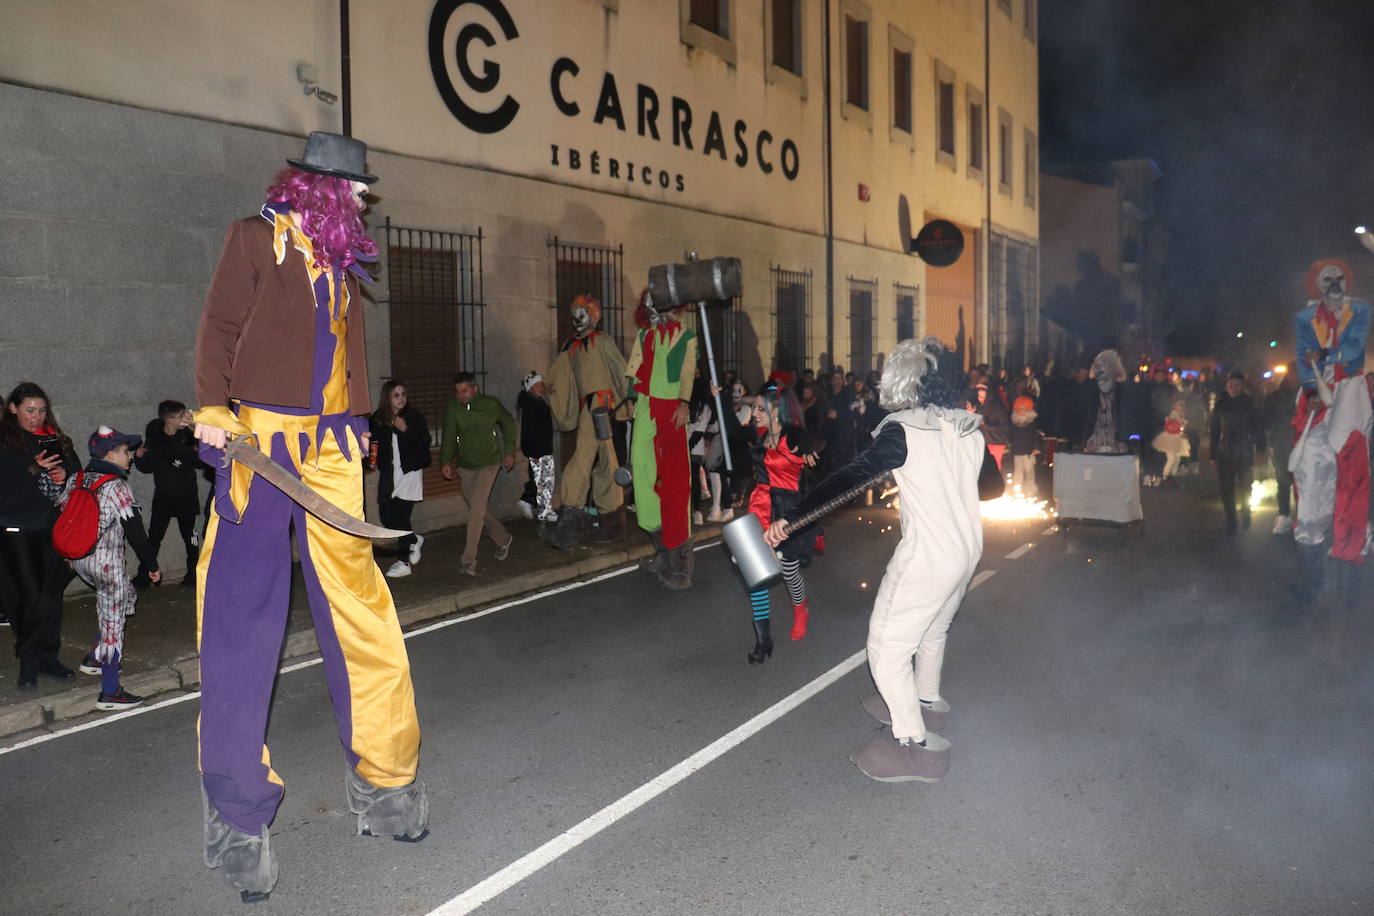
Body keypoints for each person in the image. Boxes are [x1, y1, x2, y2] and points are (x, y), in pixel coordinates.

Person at [192, 132, 428, 900]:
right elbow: (219, 331)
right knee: (240, 615)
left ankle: (384, 782)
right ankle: (236, 816)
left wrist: (356, 422)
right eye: (357, 189)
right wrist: (214, 413)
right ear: (322, 187)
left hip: (329, 451)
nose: (366, 198)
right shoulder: (254, 239)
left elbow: (345, 354)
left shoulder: (343, 259)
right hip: (259, 444)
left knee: (361, 610)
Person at [765, 337, 983, 783]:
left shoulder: (903, 430)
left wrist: (792, 519)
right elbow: (992, 487)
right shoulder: (965, 426)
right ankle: (925, 703)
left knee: (885, 649)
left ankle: (915, 746)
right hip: (968, 549)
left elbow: (851, 476)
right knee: (932, 631)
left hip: (929, 554)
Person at [1289, 257, 1372, 600]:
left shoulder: (1362, 310)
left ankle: (1351, 578)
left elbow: (1352, 355)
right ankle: (1312, 576)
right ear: (1317, 285)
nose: (1334, 282)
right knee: (1309, 474)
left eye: (1339, 276)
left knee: (1352, 482)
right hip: (1316, 399)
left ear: (1346, 281)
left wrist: (1321, 355)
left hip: (1350, 395)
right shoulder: (1304, 317)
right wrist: (1311, 390)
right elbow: (1302, 358)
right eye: (1327, 279)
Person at [65, 427, 159, 708]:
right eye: (125, 451)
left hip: (81, 560)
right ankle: (110, 692)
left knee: (126, 597)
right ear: (110, 454)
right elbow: (135, 531)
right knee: (113, 624)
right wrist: (151, 565)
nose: (130, 456)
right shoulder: (117, 486)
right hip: (107, 564)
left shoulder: (77, 478)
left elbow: (62, 512)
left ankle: (96, 657)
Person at [0, 382, 79, 689]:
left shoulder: (55, 439)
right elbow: (6, 488)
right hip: (15, 526)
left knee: (51, 594)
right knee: (29, 594)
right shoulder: (6, 441)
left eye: (42, 410)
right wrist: (34, 469)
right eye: (29, 410)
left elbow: (76, 477)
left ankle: (49, 658)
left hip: (52, 526)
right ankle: (29, 660)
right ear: (13, 408)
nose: (36, 417)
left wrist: (65, 476)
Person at [544, 295, 631, 547]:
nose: (577, 318)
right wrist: (543, 386)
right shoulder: (570, 346)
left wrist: (629, 400)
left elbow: (620, 368)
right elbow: (557, 374)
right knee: (606, 462)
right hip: (589, 407)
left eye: (583, 313)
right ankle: (612, 523)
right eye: (575, 312)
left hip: (600, 405)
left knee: (582, 458)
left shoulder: (602, 341)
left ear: (594, 316)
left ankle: (569, 523)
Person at [626, 290, 698, 588]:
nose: (652, 307)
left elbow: (688, 371)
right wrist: (631, 399)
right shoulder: (644, 335)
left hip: (672, 408)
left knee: (675, 478)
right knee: (640, 466)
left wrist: (684, 402)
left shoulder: (686, 335)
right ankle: (659, 537)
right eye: (649, 302)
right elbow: (633, 369)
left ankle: (679, 560)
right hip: (645, 405)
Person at [744, 380, 817, 663]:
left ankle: (801, 609)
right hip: (759, 507)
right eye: (754, 408)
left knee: (789, 569)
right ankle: (763, 639)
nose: (754, 413)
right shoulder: (761, 434)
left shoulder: (793, 436)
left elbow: (814, 440)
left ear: (776, 410)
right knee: (755, 573)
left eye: (760, 408)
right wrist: (722, 401)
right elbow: (734, 432)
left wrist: (813, 450)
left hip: (787, 509)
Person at [439, 371, 516, 576]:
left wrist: (509, 451)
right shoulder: (454, 409)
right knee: (478, 508)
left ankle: (468, 561)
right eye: (458, 392)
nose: (461, 396)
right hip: (465, 466)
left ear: (475, 389)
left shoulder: (490, 404)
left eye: (464, 391)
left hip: (489, 464)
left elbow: (508, 423)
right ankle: (503, 539)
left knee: (476, 512)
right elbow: (449, 435)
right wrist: (445, 461)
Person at [133, 399, 203, 589]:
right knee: (153, 538)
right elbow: (148, 466)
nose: (184, 419)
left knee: (191, 538)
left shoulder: (187, 436)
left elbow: (200, 462)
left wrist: (197, 445)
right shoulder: (155, 435)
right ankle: (144, 575)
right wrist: (139, 457)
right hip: (164, 497)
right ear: (169, 420)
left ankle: (194, 574)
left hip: (186, 496)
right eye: (180, 416)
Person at [370, 380, 430, 578]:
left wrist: (405, 430)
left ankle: (404, 562)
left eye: (403, 394)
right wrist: (370, 463)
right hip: (390, 473)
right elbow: (374, 444)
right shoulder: (378, 419)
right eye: (396, 395)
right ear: (387, 397)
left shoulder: (414, 417)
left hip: (409, 473)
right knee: (387, 517)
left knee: (402, 518)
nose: (401, 398)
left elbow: (424, 444)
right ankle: (413, 540)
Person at [1210, 372, 1264, 534]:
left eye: (1236, 385)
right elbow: (1214, 430)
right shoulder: (1220, 405)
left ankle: (1246, 510)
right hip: (1225, 449)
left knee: (1245, 484)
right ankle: (1231, 519)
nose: (1233, 388)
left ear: (1243, 386)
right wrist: (1212, 455)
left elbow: (1258, 429)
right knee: (1226, 487)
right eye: (1230, 385)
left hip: (1245, 448)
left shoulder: (1251, 404)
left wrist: (1260, 450)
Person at [515, 370, 558, 523]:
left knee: (545, 479)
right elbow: (531, 430)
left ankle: (544, 509)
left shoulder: (534, 402)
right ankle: (528, 501)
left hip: (542, 447)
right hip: (538, 449)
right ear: (529, 388)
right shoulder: (532, 404)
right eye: (537, 385)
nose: (541, 387)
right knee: (540, 479)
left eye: (541, 384)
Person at [1263, 367, 1299, 534]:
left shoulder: (1309, 394)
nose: (1295, 376)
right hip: (1282, 444)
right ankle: (1284, 515)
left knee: (1302, 482)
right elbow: (1266, 420)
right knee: (1283, 481)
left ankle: (1302, 517)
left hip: (1302, 444)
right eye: (1293, 372)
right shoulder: (1275, 397)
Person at [1151, 399, 1191, 485]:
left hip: (1176, 438)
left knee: (1176, 459)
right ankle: (1165, 477)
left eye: (1182, 405)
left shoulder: (1179, 414)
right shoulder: (1172, 414)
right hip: (1171, 439)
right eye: (1179, 404)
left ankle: (1172, 477)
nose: (1181, 407)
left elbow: (1181, 426)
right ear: (1174, 405)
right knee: (1171, 459)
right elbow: (1173, 427)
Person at [1008, 396, 1041, 497]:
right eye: (1018, 409)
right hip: (1017, 451)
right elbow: (1010, 435)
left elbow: (1036, 436)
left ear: (1028, 410)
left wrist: (1036, 447)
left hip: (1028, 452)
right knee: (1018, 471)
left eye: (1023, 409)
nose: (1021, 411)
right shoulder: (1013, 422)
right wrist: (1009, 444)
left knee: (1029, 471)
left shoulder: (1031, 423)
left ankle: (1030, 488)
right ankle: (1017, 489)